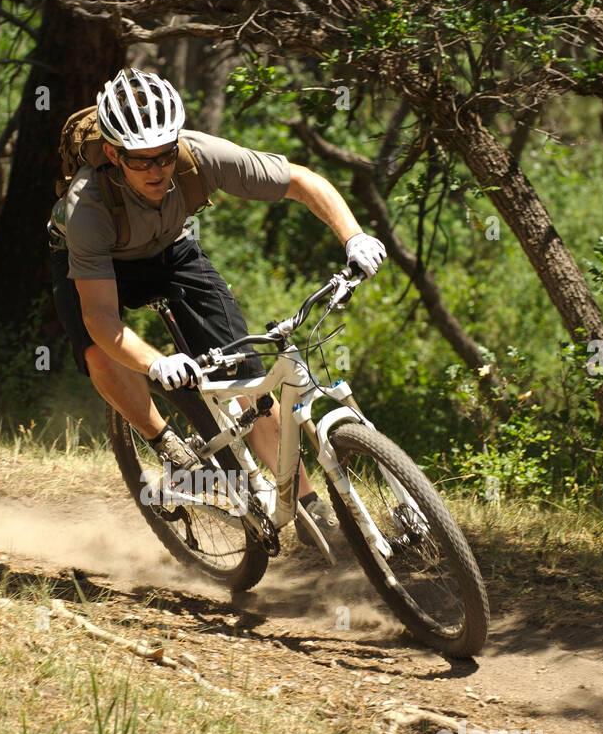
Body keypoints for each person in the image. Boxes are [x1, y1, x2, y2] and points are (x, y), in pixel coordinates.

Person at [49, 67, 386, 548]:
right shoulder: (88, 206)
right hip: (98, 263)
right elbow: (100, 318)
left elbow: (301, 181)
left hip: (171, 251)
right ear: (112, 154)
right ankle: (162, 439)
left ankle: (309, 508)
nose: (157, 171)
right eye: (141, 161)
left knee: (244, 371)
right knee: (102, 354)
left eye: (164, 157)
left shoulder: (199, 155)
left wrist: (353, 236)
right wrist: (156, 361)